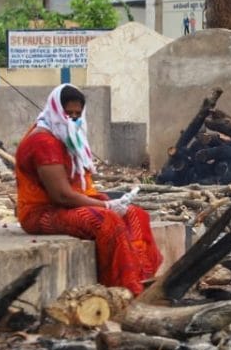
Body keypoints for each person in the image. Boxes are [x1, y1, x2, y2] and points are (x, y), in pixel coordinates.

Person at [15, 84, 161, 295]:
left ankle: (142, 278)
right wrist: (106, 205)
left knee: (135, 214)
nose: (73, 119)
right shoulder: (43, 142)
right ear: (55, 110)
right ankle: (122, 288)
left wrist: (111, 204)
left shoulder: (65, 137)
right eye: (68, 114)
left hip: (67, 205)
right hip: (41, 213)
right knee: (106, 221)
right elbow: (61, 195)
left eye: (77, 114)